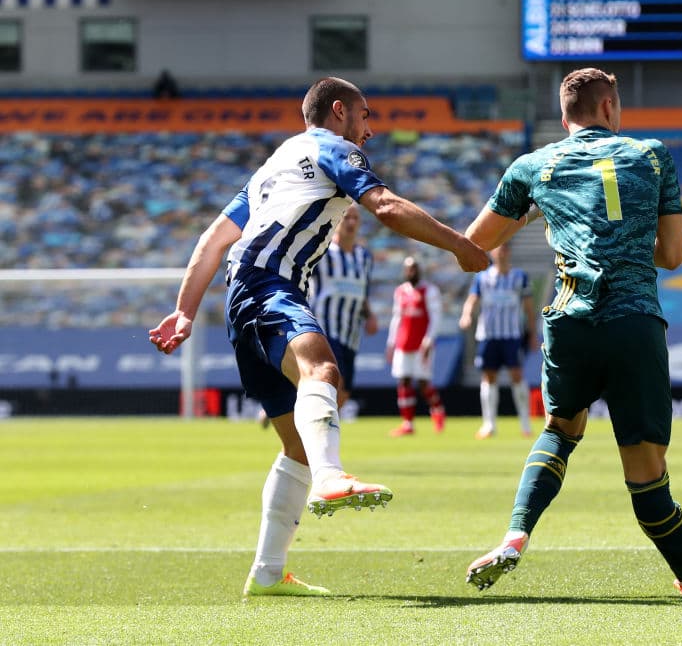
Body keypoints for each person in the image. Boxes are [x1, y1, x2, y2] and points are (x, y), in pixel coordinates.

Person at [149, 76, 489, 598]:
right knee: (323, 371)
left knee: (296, 445)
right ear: (339, 111)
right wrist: (459, 246)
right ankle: (332, 479)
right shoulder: (333, 148)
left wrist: (183, 311)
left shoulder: (275, 164)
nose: (369, 130)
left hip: (244, 292)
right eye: (366, 116)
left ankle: (267, 572)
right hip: (268, 285)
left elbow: (213, 238)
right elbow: (387, 207)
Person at [461, 68, 682, 596]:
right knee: (646, 471)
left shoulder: (534, 164)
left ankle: (515, 535)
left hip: (570, 321)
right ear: (609, 109)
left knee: (559, 431)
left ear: (565, 116)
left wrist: (535, 214)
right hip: (633, 321)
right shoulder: (653, 155)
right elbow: (672, 255)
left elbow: (475, 244)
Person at [256, 202, 377, 429]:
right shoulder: (323, 251)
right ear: (338, 220)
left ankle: (288, 409)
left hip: (350, 333)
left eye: (355, 218)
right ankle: (312, 442)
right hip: (324, 328)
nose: (351, 223)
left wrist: (369, 315)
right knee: (331, 383)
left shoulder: (364, 257)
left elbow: (363, 291)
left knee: (342, 395)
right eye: (346, 217)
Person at [458, 241, 537, 439]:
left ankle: (525, 424)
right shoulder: (482, 278)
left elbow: (529, 308)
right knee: (489, 377)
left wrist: (533, 334)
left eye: (504, 250)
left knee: (517, 375)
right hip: (488, 335)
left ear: (508, 252)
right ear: (492, 253)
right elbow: (471, 300)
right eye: (497, 250)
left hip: (511, 335)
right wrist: (466, 315)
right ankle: (489, 424)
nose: (501, 254)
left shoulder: (519, 277)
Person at [385, 256, 447, 437]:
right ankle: (407, 423)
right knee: (403, 380)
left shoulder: (429, 290)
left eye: (414, 268)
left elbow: (435, 317)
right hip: (403, 343)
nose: (411, 271)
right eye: (408, 268)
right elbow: (396, 318)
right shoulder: (400, 292)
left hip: (421, 344)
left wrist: (429, 339)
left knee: (422, 382)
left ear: (420, 270)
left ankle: (438, 411)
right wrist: (391, 342)